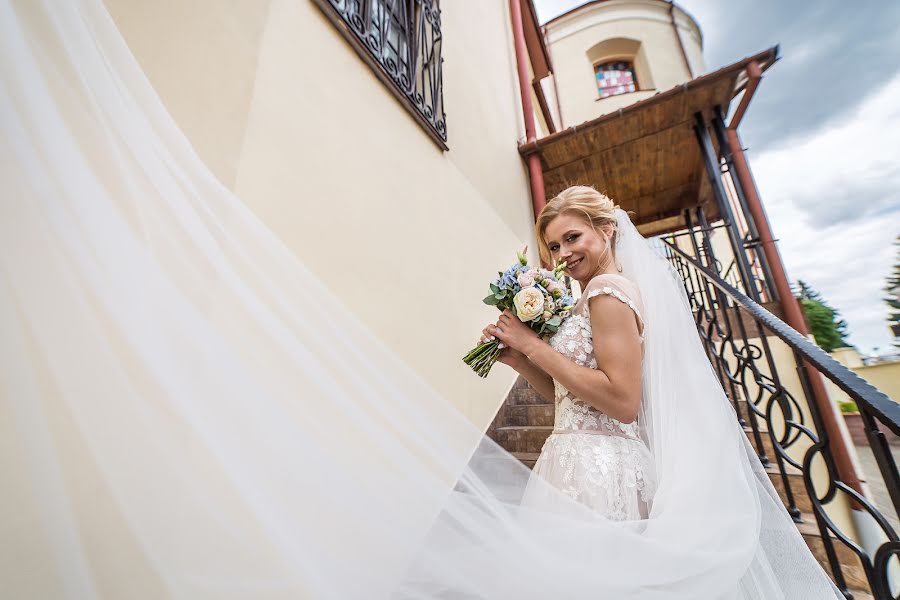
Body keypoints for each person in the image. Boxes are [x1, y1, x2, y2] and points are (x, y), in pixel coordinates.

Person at [481, 187, 655, 520]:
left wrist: (532, 344)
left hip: (600, 472)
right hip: (571, 460)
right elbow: (570, 398)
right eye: (555, 246)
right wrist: (519, 358)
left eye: (573, 237)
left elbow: (623, 402)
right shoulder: (589, 296)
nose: (564, 253)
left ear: (606, 229)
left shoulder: (608, 291)